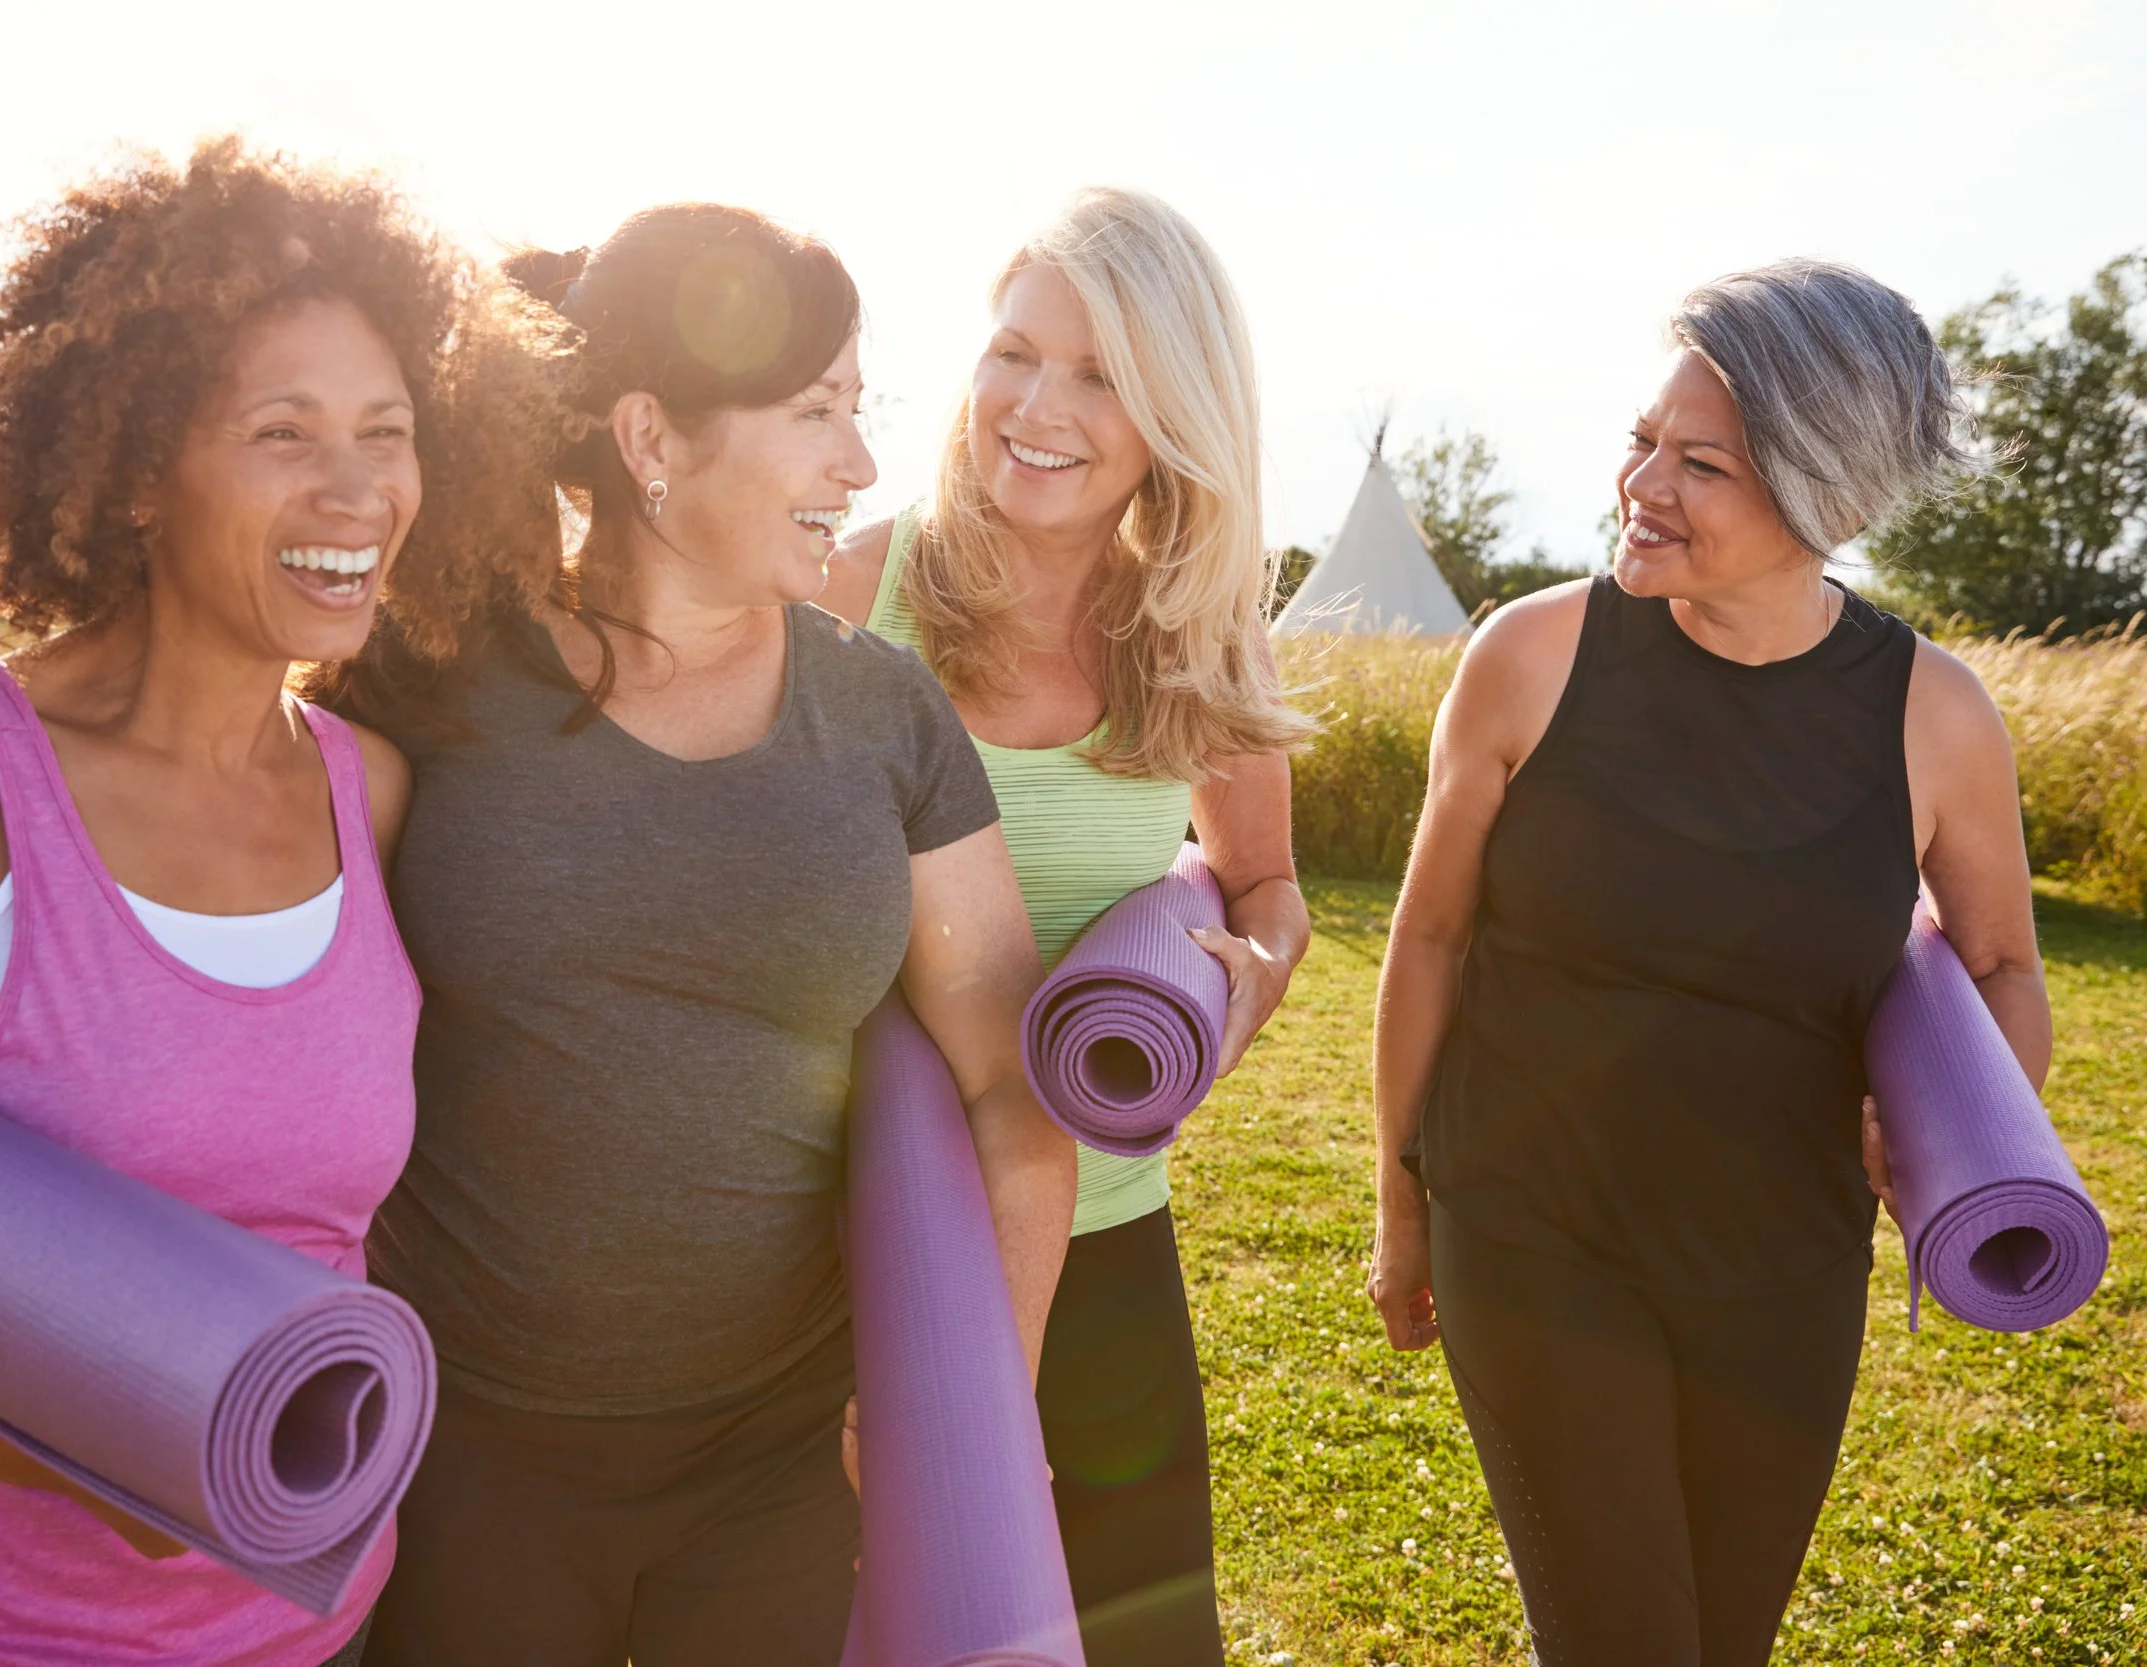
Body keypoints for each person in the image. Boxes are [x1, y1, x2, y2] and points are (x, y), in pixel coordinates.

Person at [0, 140, 562, 1666]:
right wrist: (61, 1432)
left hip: (310, 1621)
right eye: (285, 430)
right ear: (139, 466)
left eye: (387, 431)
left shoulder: (374, 792)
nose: (357, 487)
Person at [355, 204, 1078, 1667]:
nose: (862, 466)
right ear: (650, 439)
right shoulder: (423, 681)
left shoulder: (880, 710)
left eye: (860, 414)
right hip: (462, 1443)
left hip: (779, 1460)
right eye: (817, 413)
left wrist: (970, 1409)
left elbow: (1011, 1090)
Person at [1367, 259, 2050, 1665]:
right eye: (1640, 438)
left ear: (1827, 496)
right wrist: (1401, 1202)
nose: (1642, 483)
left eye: (1702, 464)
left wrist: (1954, 1132)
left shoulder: (1935, 716)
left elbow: (2001, 964)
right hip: (1534, 1228)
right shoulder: (1531, 656)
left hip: (1786, 1271)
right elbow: (1428, 934)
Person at [819, 187, 1314, 1667]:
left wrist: (1247, 982)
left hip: (1103, 1238)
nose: (1036, 406)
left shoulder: (1200, 630)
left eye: (1099, 374)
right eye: (1014, 352)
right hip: (847, 1245)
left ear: (1174, 412)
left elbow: (1266, 885)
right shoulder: (856, 590)